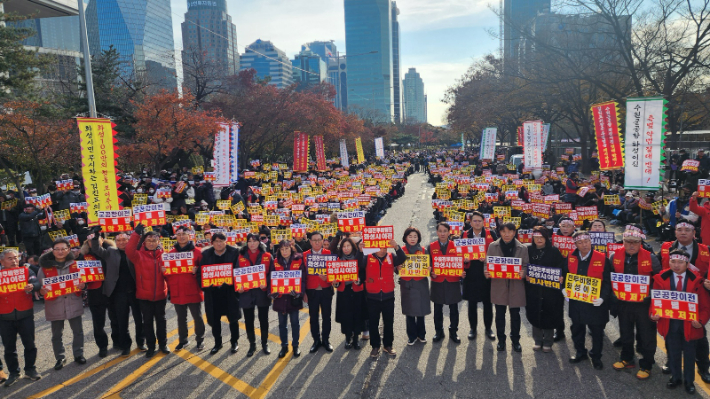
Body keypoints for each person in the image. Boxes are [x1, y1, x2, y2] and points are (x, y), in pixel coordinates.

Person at [658, 219, 710, 381]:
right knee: (671, 333)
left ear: (694, 233)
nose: (683, 232)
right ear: (675, 232)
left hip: (697, 298)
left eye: (687, 230)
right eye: (679, 229)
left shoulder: (705, 250)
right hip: (672, 298)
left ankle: (703, 367)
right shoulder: (666, 247)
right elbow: (659, 268)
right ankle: (671, 361)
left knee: (699, 335)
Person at [608, 230, 661, 379]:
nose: (631, 245)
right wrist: (613, 295)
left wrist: (650, 296)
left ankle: (647, 364)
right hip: (623, 302)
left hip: (644, 304)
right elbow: (610, 277)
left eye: (635, 242)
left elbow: (659, 281)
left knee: (646, 335)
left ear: (641, 243)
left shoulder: (651, 258)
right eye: (628, 241)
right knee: (625, 332)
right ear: (623, 241)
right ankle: (627, 358)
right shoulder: (614, 256)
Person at [90, 231, 146, 356]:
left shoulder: (133, 251)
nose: (121, 242)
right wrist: (95, 237)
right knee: (122, 321)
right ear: (115, 242)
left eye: (124, 240)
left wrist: (140, 232)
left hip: (135, 291)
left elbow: (141, 243)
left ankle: (141, 341)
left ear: (129, 240)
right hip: (118, 293)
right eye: (119, 240)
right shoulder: (110, 252)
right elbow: (96, 249)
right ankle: (126, 345)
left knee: (139, 319)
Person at [564, 231, 612, 370]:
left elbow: (608, 282)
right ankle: (580, 352)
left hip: (596, 303)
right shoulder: (570, 257)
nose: (584, 245)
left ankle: (596, 356)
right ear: (575, 244)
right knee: (577, 329)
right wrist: (564, 288)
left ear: (591, 241)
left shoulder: (602, 258)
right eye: (580, 242)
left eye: (586, 241)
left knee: (597, 331)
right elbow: (565, 274)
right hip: (577, 302)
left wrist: (603, 298)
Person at [38, 239, 86, 370]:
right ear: (52, 251)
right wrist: (41, 290)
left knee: (78, 331)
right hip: (54, 304)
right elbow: (39, 286)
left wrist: (83, 285)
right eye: (57, 249)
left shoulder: (77, 265)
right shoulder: (44, 267)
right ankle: (60, 357)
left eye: (63, 249)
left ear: (69, 249)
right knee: (57, 334)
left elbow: (84, 281)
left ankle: (78, 354)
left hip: (73, 302)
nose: (60, 251)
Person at [125, 225, 169, 358]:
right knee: (148, 323)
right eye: (148, 240)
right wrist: (136, 233)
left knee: (161, 321)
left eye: (154, 240)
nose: (151, 243)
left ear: (158, 242)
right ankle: (151, 347)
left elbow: (173, 273)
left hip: (161, 294)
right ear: (144, 242)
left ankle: (163, 344)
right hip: (144, 296)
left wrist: (166, 273)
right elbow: (129, 250)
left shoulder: (165, 256)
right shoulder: (138, 256)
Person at [484, 222, 529, 352]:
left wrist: (523, 273)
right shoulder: (493, 246)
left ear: (514, 232)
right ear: (500, 233)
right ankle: (501, 340)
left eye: (509, 231)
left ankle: (516, 340)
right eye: (503, 231)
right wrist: (486, 272)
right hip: (499, 285)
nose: (507, 234)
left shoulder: (523, 248)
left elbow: (526, 265)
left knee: (515, 315)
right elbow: (487, 263)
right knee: (499, 315)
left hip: (516, 286)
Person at [0, 249, 41, 386]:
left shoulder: (26, 271)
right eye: (10, 258)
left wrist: (32, 286)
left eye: (16, 258)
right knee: (9, 348)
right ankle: (14, 372)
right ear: (2, 261)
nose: (14, 261)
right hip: (5, 316)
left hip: (25, 314)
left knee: (30, 344)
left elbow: (37, 283)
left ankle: (30, 369)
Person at [362, 238, 406, 358]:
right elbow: (359, 264)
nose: (382, 250)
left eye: (385, 247)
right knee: (373, 322)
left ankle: (388, 345)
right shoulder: (367, 256)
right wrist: (360, 250)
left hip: (388, 295)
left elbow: (403, 258)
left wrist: (396, 246)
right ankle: (375, 346)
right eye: (380, 248)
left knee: (388, 322)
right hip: (372, 295)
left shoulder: (392, 256)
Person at [199, 232, 242, 355]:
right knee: (215, 321)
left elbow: (239, 270)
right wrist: (207, 286)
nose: (219, 244)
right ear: (212, 243)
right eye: (216, 241)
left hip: (230, 293)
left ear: (226, 242)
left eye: (221, 241)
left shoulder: (235, 253)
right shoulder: (206, 255)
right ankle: (218, 343)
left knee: (233, 320)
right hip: (213, 294)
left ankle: (234, 342)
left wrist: (232, 282)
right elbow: (200, 275)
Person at [525, 226, 566, 352]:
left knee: (549, 313)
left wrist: (560, 276)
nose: (539, 240)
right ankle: (537, 340)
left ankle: (548, 341)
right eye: (536, 237)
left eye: (541, 237)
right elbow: (523, 264)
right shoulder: (528, 249)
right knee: (534, 312)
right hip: (533, 289)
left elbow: (561, 266)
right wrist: (524, 274)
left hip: (550, 290)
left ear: (546, 238)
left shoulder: (554, 251)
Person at [164, 226, 205, 351]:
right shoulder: (170, 254)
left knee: (197, 317)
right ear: (175, 236)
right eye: (179, 234)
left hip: (193, 289)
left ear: (189, 235)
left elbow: (205, 271)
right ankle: (183, 340)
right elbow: (167, 275)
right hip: (177, 290)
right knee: (181, 318)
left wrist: (197, 271)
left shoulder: (198, 252)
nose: (181, 236)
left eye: (184, 234)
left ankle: (200, 339)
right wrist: (164, 271)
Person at [237, 233, 273, 357]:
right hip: (246, 294)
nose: (252, 243)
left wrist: (266, 283)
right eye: (250, 241)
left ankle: (264, 343)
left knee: (264, 319)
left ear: (259, 242)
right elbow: (236, 273)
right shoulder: (240, 256)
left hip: (261, 293)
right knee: (248, 320)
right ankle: (252, 344)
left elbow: (272, 273)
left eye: (255, 241)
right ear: (247, 242)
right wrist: (238, 287)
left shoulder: (267, 256)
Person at [463, 212, 497, 340]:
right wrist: (464, 260)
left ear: (484, 222)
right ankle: (473, 328)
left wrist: (487, 259)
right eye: (474, 221)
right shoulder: (465, 235)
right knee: (472, 303)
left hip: (486, 274)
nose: (477, 223)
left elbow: (497, 253)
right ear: (470, 222)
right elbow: (459, 253)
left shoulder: (491, 234)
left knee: (488, 303)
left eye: (479, 221)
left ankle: (488, 328)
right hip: (471, 273)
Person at [428, 222, 463, 344]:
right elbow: (428, 264)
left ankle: (453, 332)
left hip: (452, 281)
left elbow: (462, 262)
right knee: (438, 309)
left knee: (454, 309)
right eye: (440, 231)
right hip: (437, 281)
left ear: (449, 232)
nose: (442, 233)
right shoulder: (431, 246)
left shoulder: (456, 245)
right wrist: (430, 271)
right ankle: (439, 331)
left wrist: (463, 271)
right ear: (437, 232)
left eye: (445, 231)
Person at [270, 241, 305, 358]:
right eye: (282, 249)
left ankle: (296, 346)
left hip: (293, 298)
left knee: (295, 323)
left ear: (291, 248)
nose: (284, 251)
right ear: (279, 250)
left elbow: (303, 279)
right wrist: (272, 292)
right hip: (280, 299)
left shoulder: (298, 260)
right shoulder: (275, 262)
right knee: (282, 324)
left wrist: (299, 293)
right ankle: (284, 346)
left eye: (287, 248)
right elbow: (271, 278)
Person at [397, 227, 431, 345]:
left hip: (420, 283)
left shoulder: (423, 250)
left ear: (418, 238)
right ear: (405, 237)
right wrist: (398, 268)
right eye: (410, 236)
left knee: (420, 310)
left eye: (415, 236)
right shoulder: (401, 250)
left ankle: (421, 335)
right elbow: (396, 268)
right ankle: (411, 336)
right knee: (409, 311)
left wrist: (429, 269)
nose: (412, 239)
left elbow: (429, 266)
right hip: (407, 284)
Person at [303, 232, 334, 353]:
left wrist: (328, 278)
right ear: (310, 242)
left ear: (322, 241)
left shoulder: (329, 254)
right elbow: (302, 276)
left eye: (319, 240)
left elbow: (335, 273)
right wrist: (304, 292)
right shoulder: (304, 255)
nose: (317, 242)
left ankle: (326, 340)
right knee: (313, 317)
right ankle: (316, 341)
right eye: (314, 240)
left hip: (326, 289)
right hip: (312, 291)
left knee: (327, 316)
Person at [334, 237, 365, 350]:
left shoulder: (358, 258)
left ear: (352, 246)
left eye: (348, 246)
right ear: (341, 248)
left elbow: (363, 273)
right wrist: (335, 283)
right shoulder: (338, 260)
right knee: (346, 316)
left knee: (357, 315)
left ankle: (356, 339)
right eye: (344, 246)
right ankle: (348, 338)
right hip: (344, 292)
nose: (346, 248)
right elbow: (336, 279)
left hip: (356, 291)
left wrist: (359, 280)